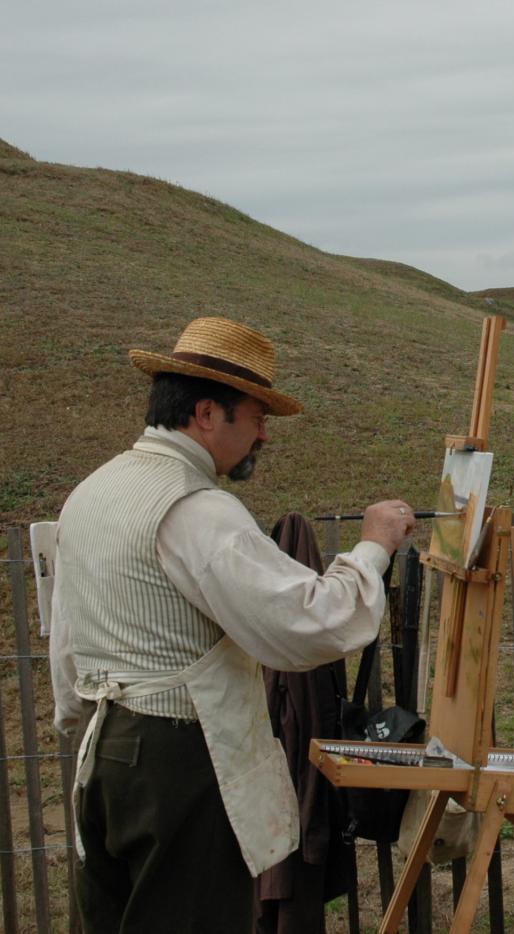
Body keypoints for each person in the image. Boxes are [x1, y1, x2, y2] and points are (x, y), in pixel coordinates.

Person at [49, 316, 416, 933]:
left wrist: (82, 718)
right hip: (181, 760)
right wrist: (373, 549)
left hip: (107, 754)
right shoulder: (195, 508)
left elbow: (66, 637)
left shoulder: (93, 491)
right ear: (206, 413)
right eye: (256, 417)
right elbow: (304, 624)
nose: (264, 436)